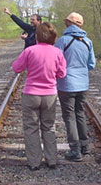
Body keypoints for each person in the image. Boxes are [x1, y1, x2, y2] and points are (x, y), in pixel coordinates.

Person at [12, 22, 67, 171]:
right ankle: (52, 160)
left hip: (31, 94)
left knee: (31, 128)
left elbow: (16, 68)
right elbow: (62, 74)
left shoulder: (30, 51)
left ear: (37, 36)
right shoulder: (57, 53)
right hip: (49, 95)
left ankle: (34, 162)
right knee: (49, 127)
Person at [55, 12, 96, 162]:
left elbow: (56, 62)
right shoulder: (88, 42)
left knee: (69, 116)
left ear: (69, 24)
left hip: (66, 84)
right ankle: (85, 145)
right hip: (83, 84)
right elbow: (91, 64)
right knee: (80, 113)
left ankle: (75, 150)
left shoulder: (63, 41)